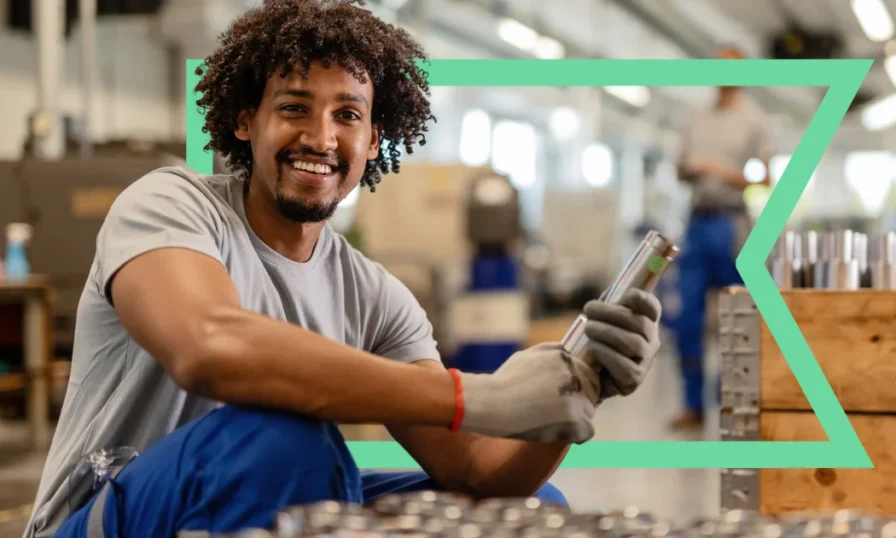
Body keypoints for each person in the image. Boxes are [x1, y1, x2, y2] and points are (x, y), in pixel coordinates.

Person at [23, 1, 664, 537]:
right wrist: (480, 396)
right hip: (99, 518)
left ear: (374, 140)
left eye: (347, 115)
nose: (321, 137)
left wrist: (573, 391)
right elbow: (209, 346)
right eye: (294, 107)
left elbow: (477, 469)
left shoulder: (373, 294)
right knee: (282, 443)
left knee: (525, 512)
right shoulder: (171, 204)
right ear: (246, 121)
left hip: (237, 505)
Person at [667, 46, 774, 430]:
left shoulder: (754, 120)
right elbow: (680, 168)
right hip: (696, 223)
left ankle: (731, 401)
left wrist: (722, 171)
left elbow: (764, 179)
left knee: (738, 319)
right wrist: (689, 168)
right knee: (687, 320)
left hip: (732, 226)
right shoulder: (695, 119)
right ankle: (693, 406)